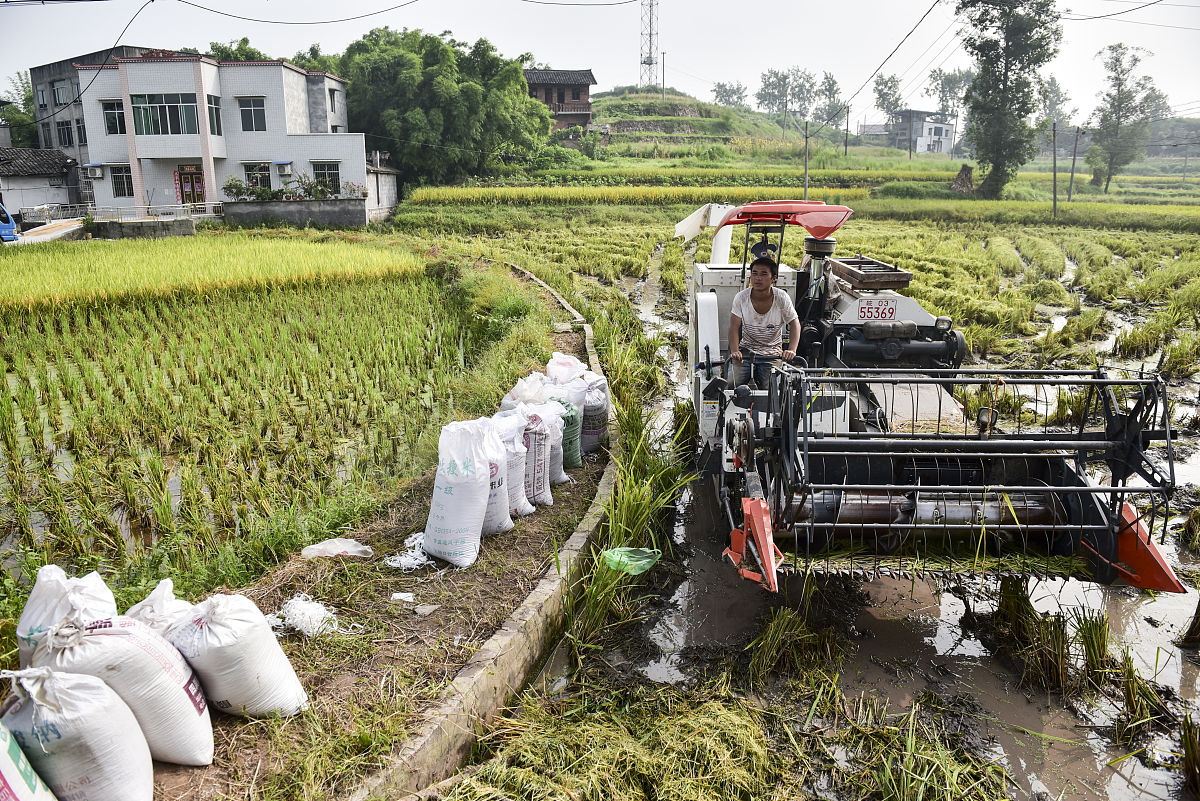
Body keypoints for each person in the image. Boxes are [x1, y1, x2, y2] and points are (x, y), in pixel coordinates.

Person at [729, 256, 800, 387]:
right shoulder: (741, 297)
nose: (758, 278)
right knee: (733, 383)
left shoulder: (781, 298)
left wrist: (791, 350)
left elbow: (795, 324)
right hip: (746, 350)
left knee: (770, 388)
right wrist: (735, 350)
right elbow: (734, 326)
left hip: (772, 352)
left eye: (763, 274)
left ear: (773, 278)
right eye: (754, 273)